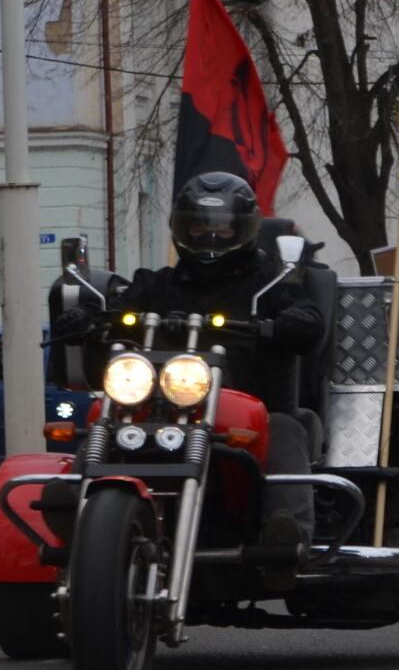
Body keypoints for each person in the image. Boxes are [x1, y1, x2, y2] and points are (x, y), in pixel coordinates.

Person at [104, 173, 324, 546]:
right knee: (105, 423)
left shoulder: (270, 284)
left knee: (286, 429)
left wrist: (297, 320)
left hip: (251, 413)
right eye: (197, 226)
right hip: (160, 408)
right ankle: (78, 508)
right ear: (181, 228)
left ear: (243, 229)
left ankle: (287, 538)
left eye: (222, 229)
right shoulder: (157, 285)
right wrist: (88, 317)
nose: (209, 236)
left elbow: (307, 317)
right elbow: (115, 311)